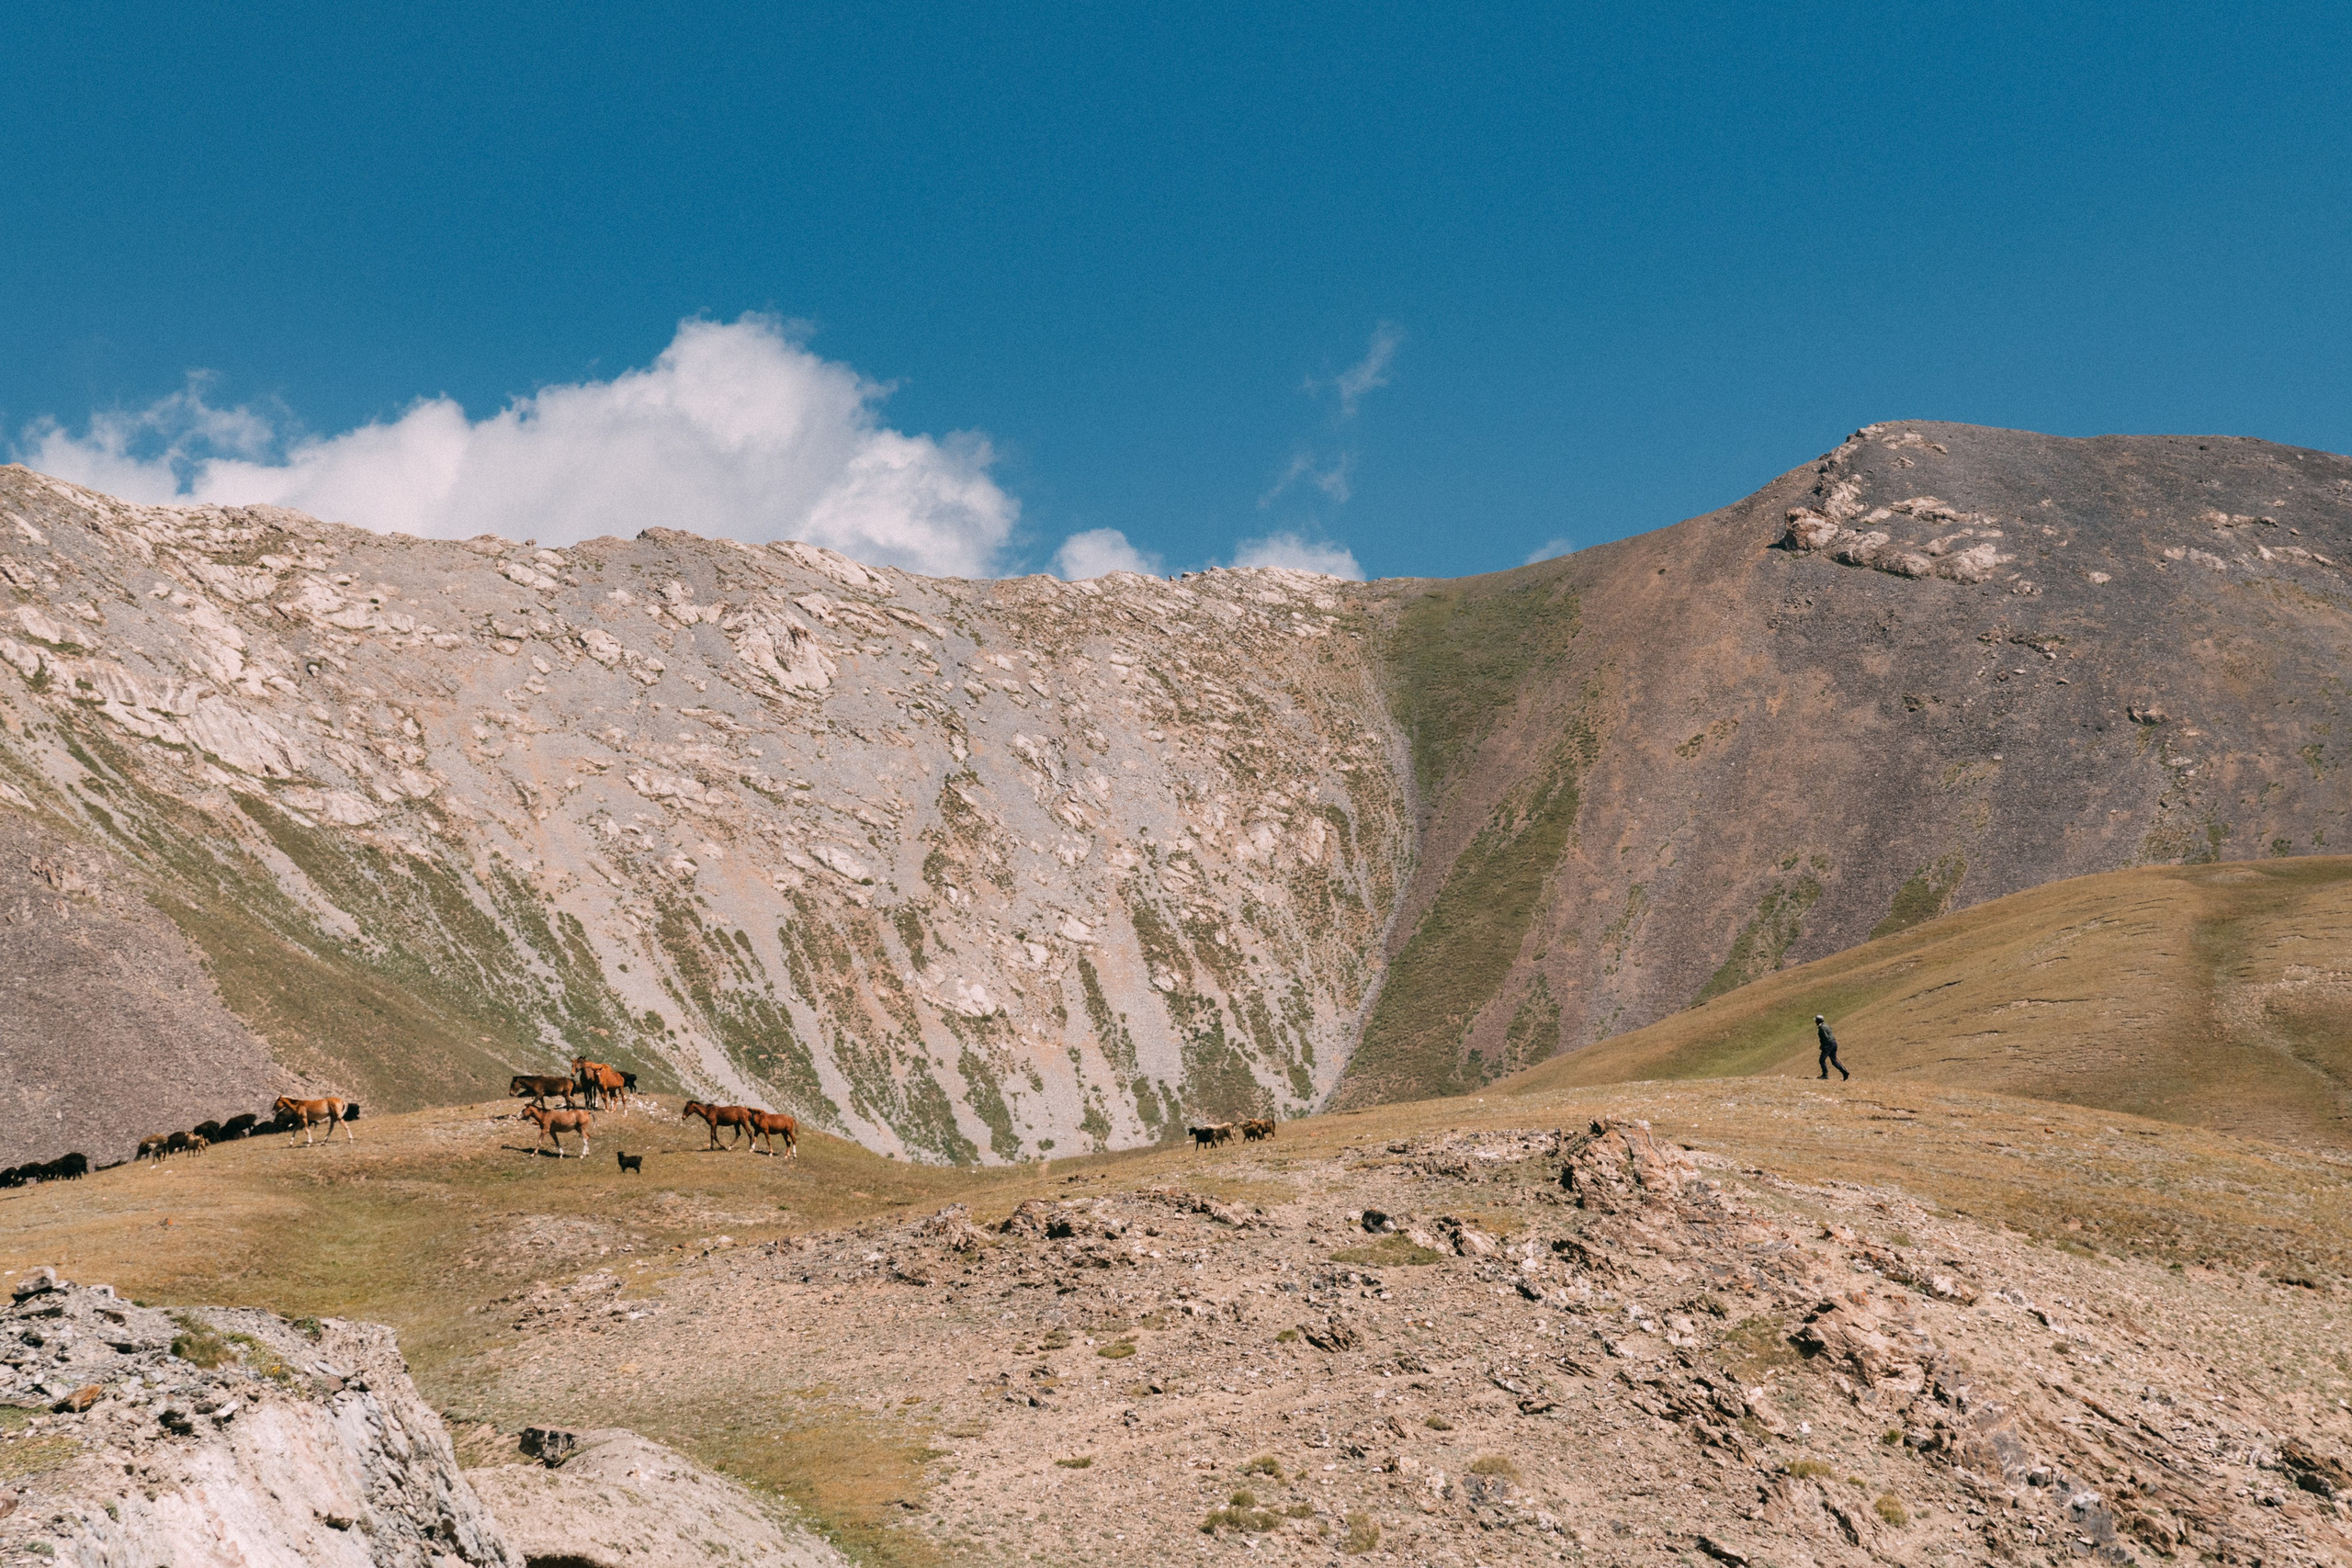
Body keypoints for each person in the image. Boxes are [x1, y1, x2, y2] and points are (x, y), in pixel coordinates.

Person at [1816, 1014, 1849, 1080]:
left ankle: (1825, 1075)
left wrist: (1823, 1046)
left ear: (1818, 1021)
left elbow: (1826, 1038)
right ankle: (1844, 1072)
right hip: (1834, 1043)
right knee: (1834, 1061)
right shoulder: (1827, 1025)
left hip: (1828, 1044)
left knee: (1822, 1060)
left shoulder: (1822, 1028)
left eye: (1816, 1021)